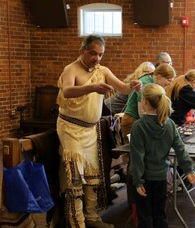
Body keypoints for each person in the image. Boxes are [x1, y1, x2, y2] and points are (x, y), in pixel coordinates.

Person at [56, 34, 142, 228]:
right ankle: (76, 222)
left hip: (90, 130)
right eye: (93, 53)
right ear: (83, 50)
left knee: (92, 176)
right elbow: (67, 91)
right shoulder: (71, 69)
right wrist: (92, 87)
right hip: (70, 128)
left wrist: (135, 86)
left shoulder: (103, 70)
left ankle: (92, 217)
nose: (97, 58)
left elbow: (122, 88)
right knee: (75, 178)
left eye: (100, 55)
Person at [129, 83, 195, 228]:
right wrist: (189, 170)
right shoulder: (170, 124)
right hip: (161, 178)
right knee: (160, 215)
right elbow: (180, 150)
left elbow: (137, 157)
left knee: (144, 218)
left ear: (145, 101)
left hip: (145, 179)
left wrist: (138, 181)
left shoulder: (138, 126)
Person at [121, 63, 176, 140]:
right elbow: (142, 112)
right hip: (132, 121)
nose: (170, 84)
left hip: (141, 121)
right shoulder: (144, 83)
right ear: (159, 77)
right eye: (169, 80)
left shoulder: (154, 82)